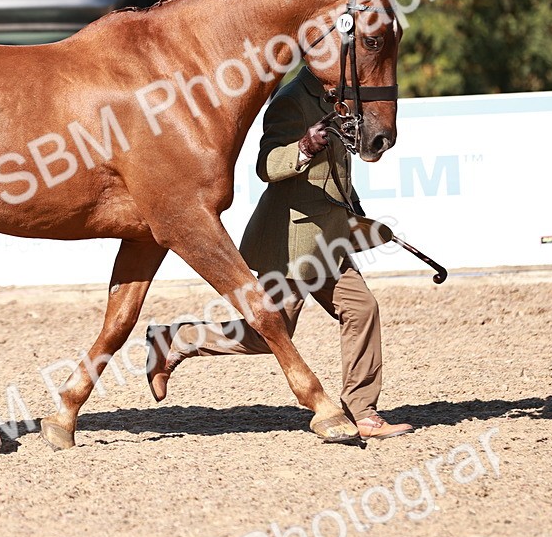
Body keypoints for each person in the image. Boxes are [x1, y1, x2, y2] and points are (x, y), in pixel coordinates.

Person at [145, 65, 412, 439]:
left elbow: (336, 172)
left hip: (329, 238)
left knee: (362, 309)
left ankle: (361, 410)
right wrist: (303, 147)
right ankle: (177, 339)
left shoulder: (343, 96)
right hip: (290, 242)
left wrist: (357, 215)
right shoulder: (290, 101)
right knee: (270, 333)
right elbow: (266, 166)